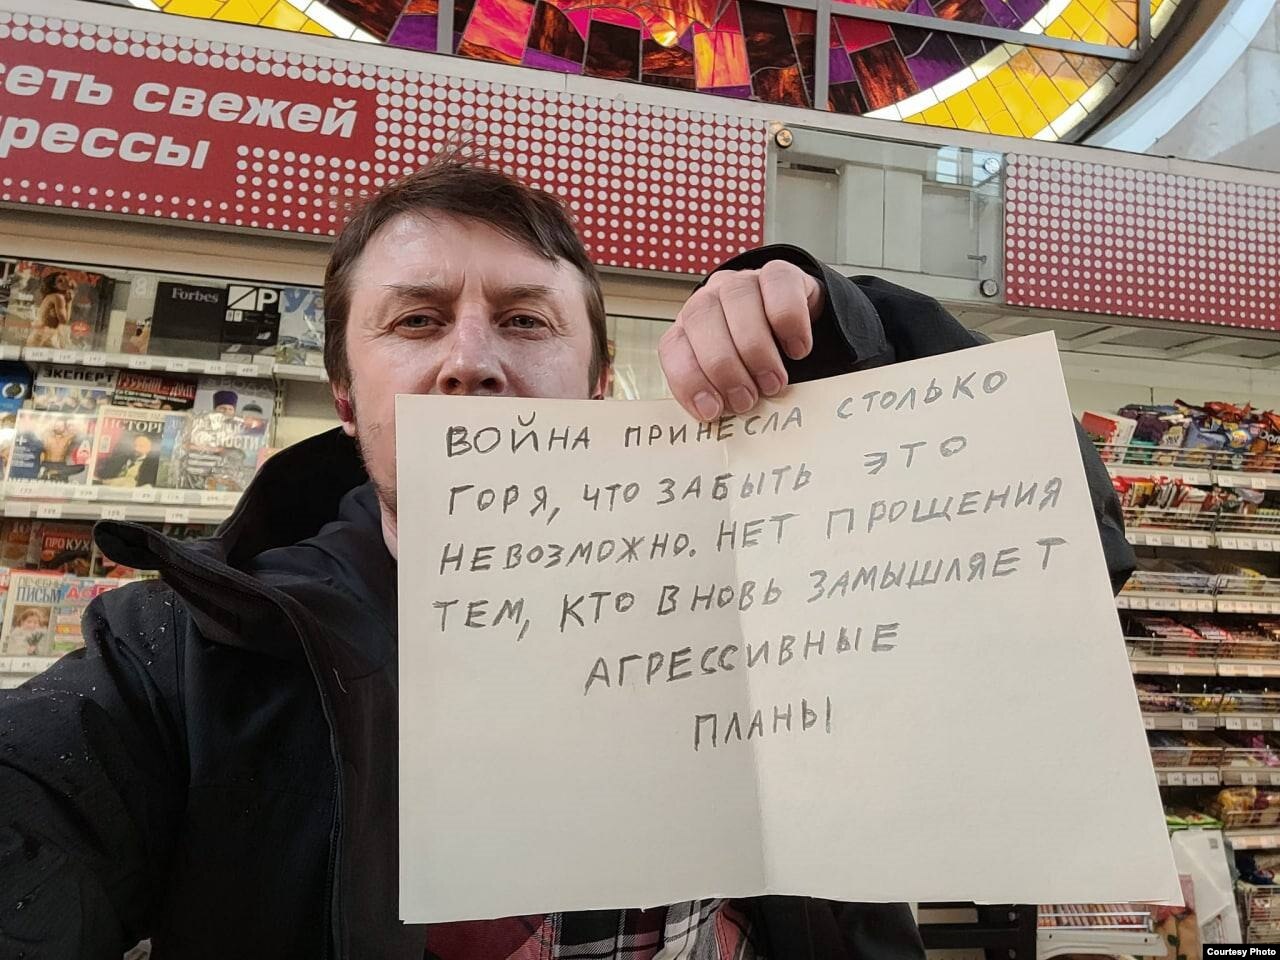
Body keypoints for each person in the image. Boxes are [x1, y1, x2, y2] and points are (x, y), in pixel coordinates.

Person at [0, 159, 1134, 959]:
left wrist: (854, 346)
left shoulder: (759, 584)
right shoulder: (187, 655)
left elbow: (1065, 557)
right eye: (415, 320)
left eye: (526, 321)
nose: (472, 361)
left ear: (597, 386)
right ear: (345, 399)